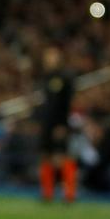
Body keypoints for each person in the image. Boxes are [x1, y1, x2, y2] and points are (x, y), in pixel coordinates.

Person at [37, 45, 76, 203]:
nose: (48, 60)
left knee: (61, 157)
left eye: (51, 56)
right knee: (46, 156)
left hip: (59, 123)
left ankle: (69, 194)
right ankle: (47, 194)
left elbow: (66, 104)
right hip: (47, 123)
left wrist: (62, 124)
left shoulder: (64, 78)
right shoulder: (46, 78)